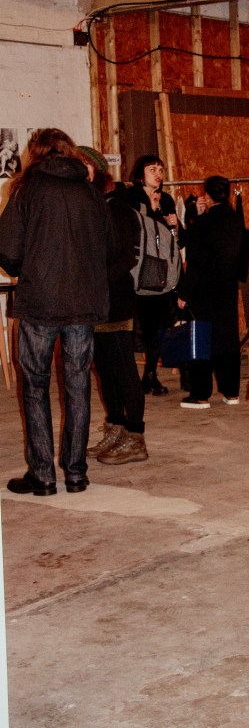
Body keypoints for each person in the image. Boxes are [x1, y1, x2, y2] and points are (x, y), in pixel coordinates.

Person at [0, 129, 117, 496]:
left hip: (40, 303)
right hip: (83, 305)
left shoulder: (25, 189)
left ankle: (43, 475)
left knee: (35, 387)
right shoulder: (90, 191)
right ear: (68, 151)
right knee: (78, 386)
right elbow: (111, 249)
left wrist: (28, 269)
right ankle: (76, 473)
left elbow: (7, 251)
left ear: (35, 153)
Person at [78, 148, 148, 465]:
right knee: (105, 370)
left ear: (98, 171)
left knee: (124, 369)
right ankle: (116, 428)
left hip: (117, 302)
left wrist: (96, 281)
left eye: (84, 168)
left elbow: (126, 259)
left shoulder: (117, 208)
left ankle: (135, 437)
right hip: (97, 303)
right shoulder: (97, 206)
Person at [177, 175, 248, 409]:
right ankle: (231, 391)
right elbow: (243, 254)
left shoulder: (204, 223)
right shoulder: (236, 220)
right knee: (228, 338)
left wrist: (185, 293)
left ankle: (201, 394)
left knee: (202, 338)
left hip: (204, 290)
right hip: (227, 287)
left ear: (207, 196)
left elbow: (196, 262)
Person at [126, 155, 183, 396]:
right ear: (141, 174)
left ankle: (150, 374)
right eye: (152, 169)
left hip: (162, 273)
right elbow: (135, 230)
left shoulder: (166, 199)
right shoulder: (131, 197)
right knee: (138, 328)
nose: (158, 174)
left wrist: (175, 225)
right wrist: (152, 210)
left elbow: (177, 240)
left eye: (161, 169)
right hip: (138, 271)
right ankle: (133, 379)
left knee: (159, 326)